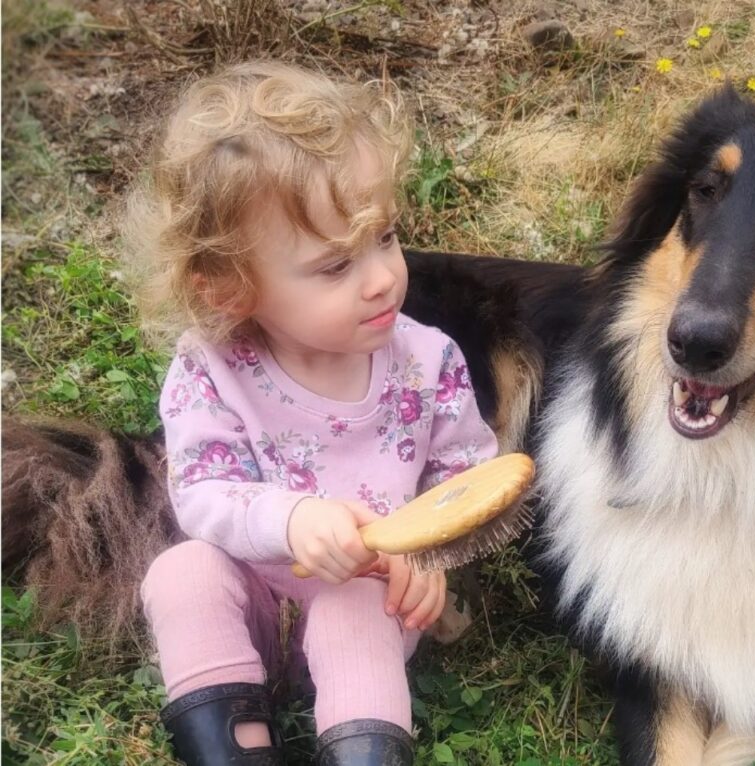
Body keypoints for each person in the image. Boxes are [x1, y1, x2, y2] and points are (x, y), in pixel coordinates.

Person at [128, 61, 499, 766]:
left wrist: (427, 551)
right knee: (181, 573)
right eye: (336, 266)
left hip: (369, 600)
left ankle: (362, 749)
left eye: (385, 237)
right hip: (254, 600)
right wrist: (291, 518)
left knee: (353, 606)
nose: (383, 277)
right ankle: (233, 747)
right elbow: (203, 493)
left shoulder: (427, 360)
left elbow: (467, 477)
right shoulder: (211, 368)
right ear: (233, 289)